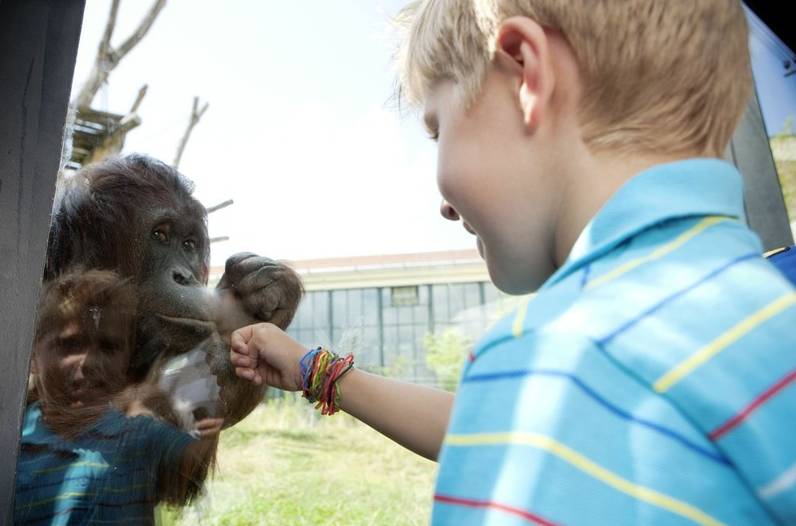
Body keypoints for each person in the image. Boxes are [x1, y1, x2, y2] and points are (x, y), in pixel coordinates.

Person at [231, 0, 796, 523]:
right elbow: (501, 428)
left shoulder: (558, 357)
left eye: (438, 129)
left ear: (527, 74)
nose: (445, 206)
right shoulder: (754, 322)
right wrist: (314, 369)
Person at [15, 270, 223, 525]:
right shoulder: (15, 439)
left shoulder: (139, 433)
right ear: (33, 356)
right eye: (70, 345)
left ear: (127, 359)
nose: (91, 362)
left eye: (109, 347)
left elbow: (195, 454)